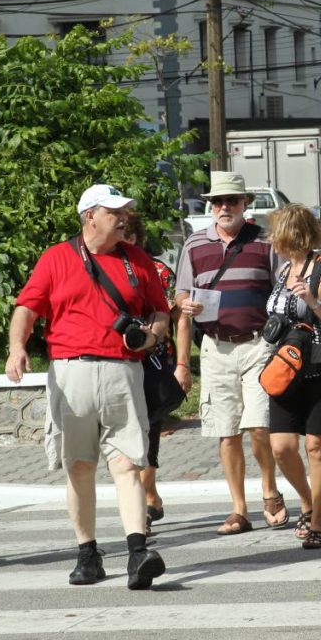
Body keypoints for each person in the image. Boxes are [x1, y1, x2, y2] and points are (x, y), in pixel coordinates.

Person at [5, 184, 169, 590]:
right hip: (71, 371)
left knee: (129, 463)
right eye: (114, 211)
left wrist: (151, 338)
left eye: (125, 210)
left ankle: (136, 554)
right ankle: (87, 554)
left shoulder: (138, 260)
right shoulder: (57, 258)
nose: (123, 216)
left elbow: (161, 312)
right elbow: (26, 308)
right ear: (89, 216)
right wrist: (16, 348)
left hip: (123, 372)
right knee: (79, 465)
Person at [174, 172, 287, 535]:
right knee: (226, 432)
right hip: (215, 347)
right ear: (211, 206)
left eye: (232, 201)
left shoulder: (266, 242)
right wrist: (185, 304)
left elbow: (282, 289)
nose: (224, 207)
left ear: (245, 205)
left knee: (259, 426)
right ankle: (239, 509)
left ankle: (270, 491)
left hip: (258, 344)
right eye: (218, 202)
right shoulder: (194, 246)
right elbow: (180, 295)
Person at [265, 204, 321, 549]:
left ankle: (318, 522)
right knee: (282, 447)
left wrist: (315, 302)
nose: (271, 238)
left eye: (276, 232)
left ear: (292, 235)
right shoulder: (284, 269)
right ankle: (307, 500)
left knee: (317, 447)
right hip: (286, 369)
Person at [122, 214, 181, 534]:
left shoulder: (158, 271)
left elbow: (176, 317)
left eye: (127, 237)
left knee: (150, 431)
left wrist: (183, 364)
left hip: (156, 362)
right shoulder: (103, 271)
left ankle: (147, 497)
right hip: (118, 363)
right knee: (131, 433)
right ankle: (147, 497)